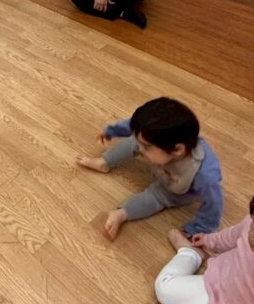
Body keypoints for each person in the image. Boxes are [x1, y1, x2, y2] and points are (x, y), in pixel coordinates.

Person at [78, 97, 223, 241]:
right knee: (134, 141)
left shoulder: (204, 175)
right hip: (164, 164)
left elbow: (213, 205)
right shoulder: (158, 138)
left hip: (176, 188)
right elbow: (135, 126)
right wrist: (112, 131)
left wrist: (197, 229)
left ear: (177, 149)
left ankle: (121, 214)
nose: (141, 149)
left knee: (156, 197)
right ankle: (104, 162)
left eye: (147, 147)